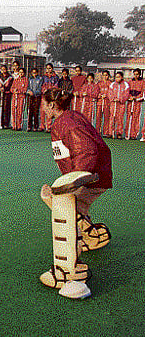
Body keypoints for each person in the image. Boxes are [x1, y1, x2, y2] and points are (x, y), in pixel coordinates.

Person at [39, 87, 112, 288]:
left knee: (65, 212)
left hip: (92, 177)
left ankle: (69, 272)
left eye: (44, 104)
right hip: (95, 175)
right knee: (68, 206)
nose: (42, 108)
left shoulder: (67, 123)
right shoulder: (68, 118)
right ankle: (92, 237)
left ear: (52, 105)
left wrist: (72, 183)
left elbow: (87, 151)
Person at [108, 72, 130, 139]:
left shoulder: (125, 84)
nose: (117, 78)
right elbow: (110, 93)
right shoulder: (112, 84)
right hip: (113, 104)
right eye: (116, 77)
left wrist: (120, 99)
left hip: (121, 104)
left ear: (122, 77)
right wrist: (113, 99)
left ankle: (119, 133)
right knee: (112, 117)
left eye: (119, 77)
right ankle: (110, 132)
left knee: (120, 118)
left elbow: (126, 94)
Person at [40, 63, 60, 132]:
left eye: (50, 68)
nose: (48, 70)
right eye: (47, 68)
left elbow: (56, 86)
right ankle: (42, 126)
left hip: (51, 97)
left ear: (52, 69)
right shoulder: (43, 77)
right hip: (44, 96)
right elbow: (41, 85)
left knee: (49, 111)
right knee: (42, 111)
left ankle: (48, 127)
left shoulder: (56, 77)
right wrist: (43, 90)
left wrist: (50, 91)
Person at [127, 68, 144, 140]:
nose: (136, 76)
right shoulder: (130, 82)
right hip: (131, 102)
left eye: (137, 74)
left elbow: (143, 93)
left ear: (140, 74)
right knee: (129, 117)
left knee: (136, 118)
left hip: (137, 102)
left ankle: (134, 134)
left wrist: (136, 98)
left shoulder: (143, 82)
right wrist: (130, 97)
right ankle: (128, 133)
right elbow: (127, 91)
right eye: (134, 74)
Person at [26, 67, 43, 131]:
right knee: (30, 111)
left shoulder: (40, 79)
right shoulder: (30, 79)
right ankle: (29, 126)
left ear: (37, 73)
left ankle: (36, 126)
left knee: (36, 112)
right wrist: (29, 92)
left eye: (35, 73)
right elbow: (28, 87)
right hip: (30, 97)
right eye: (33, 73)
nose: (34, 74)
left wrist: (34, 93)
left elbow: (40, 88)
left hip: (37, 97)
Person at [97, 71, 112, 136]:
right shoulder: (99, 83)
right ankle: (98, 131)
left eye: (106, 75)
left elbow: (112, 92)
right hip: (100, 102)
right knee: (98, 117)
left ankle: (106, 132)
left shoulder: (111, 83)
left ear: (108, 76)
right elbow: (96, 92)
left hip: (107, 102)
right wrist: (99, 95)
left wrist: (106, 95)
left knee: (106, 117)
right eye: (104, 75)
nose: (105, 77)